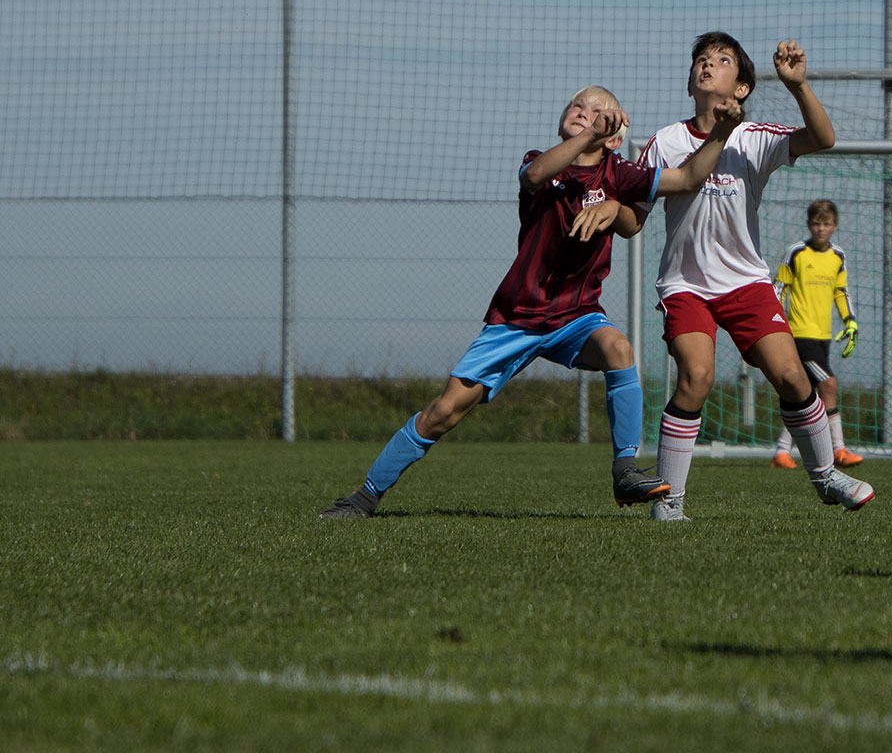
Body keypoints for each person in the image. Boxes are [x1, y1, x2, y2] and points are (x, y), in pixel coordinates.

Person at [317, 86, 743, 519]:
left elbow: (689, 179)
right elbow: (534, 175)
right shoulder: (542, 163)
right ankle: (364, 497)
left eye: (598, 110)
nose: (584, 111)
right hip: (516, 318)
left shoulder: (618, 173)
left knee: (619, 349)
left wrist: (721, 132)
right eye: (577, 106)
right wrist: (590, 136)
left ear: (615, 136)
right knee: (444, 411)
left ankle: (624, 470)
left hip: (577, 317)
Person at [624, 33, 873, 520]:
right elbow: (633, 220)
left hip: (746, 283)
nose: (707, 66)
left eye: (721, 60)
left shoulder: (753, 138)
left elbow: (824, 139)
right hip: (686, 285)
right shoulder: (665, 142)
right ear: (690, 80)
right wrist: (599, 203)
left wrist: (798, 87)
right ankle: (668, 499)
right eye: (701, 60)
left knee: (791, 376)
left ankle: (826, 476)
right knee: (697, 376)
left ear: (741, 88)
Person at [768, 199, 863, 470]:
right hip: (798, 334)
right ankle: (838, 450)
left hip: (823, 336)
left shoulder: (838, 257)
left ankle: (782, 452)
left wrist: (850, 322)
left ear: (834, 226)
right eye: (816, 223)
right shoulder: (796, 253)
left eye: (826, 224)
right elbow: (779, 289)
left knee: (807, 395)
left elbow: (840, 291)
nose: (821, 229)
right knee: (829, 385)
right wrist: (775, 323)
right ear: (809, 225)